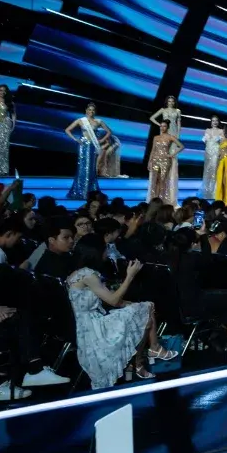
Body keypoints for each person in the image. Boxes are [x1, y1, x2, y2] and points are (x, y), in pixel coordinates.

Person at [67, 236, 176, 387]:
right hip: (94, 329)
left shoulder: (79, 273)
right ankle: (147, 356)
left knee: (146, 307)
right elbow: (113, 301)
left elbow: (111, 300)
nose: (107, 252)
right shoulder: (88, 275)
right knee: (146, 310)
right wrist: (130, 276)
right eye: (105, 248)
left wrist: (131, 304)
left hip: (91, 321)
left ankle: (147, 356)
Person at [65, 104, 110, 199]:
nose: (91, 112)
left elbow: (109, 132)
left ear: (95, 112)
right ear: (86, 110)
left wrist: (101, 140)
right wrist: (76, 139)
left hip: (92, 146)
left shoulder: (99, 121)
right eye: (89, 110)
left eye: (93, 110)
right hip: (83, 146)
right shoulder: (81, 121)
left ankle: (91, 191)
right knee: (82, 168)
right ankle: (80, 191)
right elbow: (67, 130)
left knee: (91, 168)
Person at [146, 120, 183, 205]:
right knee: (155, 180)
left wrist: (171, 154)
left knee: (163, 180)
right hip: (155, 160)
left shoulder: (170, 137)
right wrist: (149, 161)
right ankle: (154, 200)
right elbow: (153, 150)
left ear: (168, 127)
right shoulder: (156, 137)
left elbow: (181, 146)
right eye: (161, 126)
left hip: (165, 161)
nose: (162, 128)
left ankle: (161, 201)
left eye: (164, 126)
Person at [201, 117, 224, 199]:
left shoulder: (221, 131)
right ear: (211, 122)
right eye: (213, 121)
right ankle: (206, 191)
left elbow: (222, 143)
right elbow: (205, 142)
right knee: (207, 171)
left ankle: (214, 191)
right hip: (208, 152)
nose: (215, 122)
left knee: (214, 170)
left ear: (218, 122)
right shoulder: (207, 130)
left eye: (216, 120)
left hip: (216, 152)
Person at [0, 84, 13, 175]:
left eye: (4, 91)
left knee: (3, 148)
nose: (2, 92)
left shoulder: (7, 101)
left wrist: (12, 125)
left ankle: (2, 170)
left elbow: (13, 114)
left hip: (3, 127)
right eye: (0, 90)